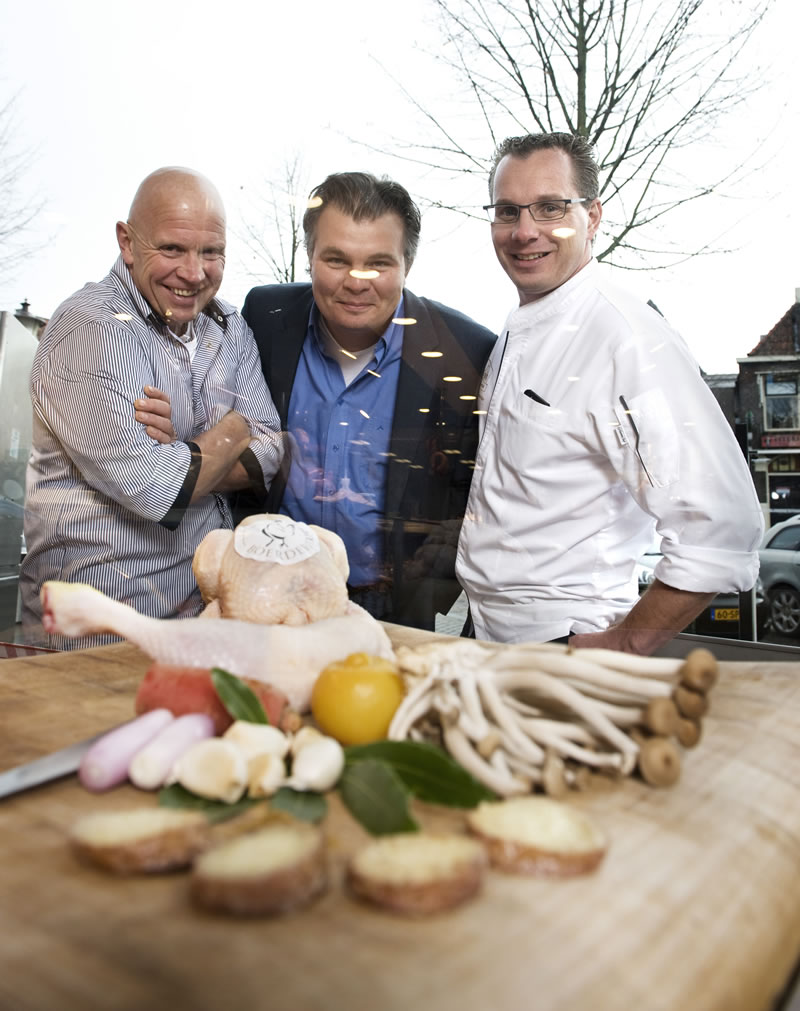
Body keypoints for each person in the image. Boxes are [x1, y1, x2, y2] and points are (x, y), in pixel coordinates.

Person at [455, 132, 763, 654]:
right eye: (507, 211)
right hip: (487, 634)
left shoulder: (627, 337)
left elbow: (721, 527)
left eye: (550, 207)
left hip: (563, 641)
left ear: (592, 217)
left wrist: (622, 646)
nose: (525, 232)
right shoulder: (519, 325)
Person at [21, 166, 283, 645]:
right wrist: (232, 429)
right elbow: (160, 487)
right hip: (99, 633)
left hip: (204, 622)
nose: (194, 273)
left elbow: (270, 454)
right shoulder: (91, 328)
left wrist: (182, 446)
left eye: (211, 252)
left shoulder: (228, 325)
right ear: (127, 242)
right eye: (172, 249)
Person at [238, 171, 496, 630]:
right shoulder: (266, 317)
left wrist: (426, 588)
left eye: (378, 263)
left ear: (407, 264)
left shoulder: (465, 350)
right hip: (269, 593)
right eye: (336, 259)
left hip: (390, 607)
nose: (357, 282)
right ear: (310, 256)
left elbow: (473, 492)